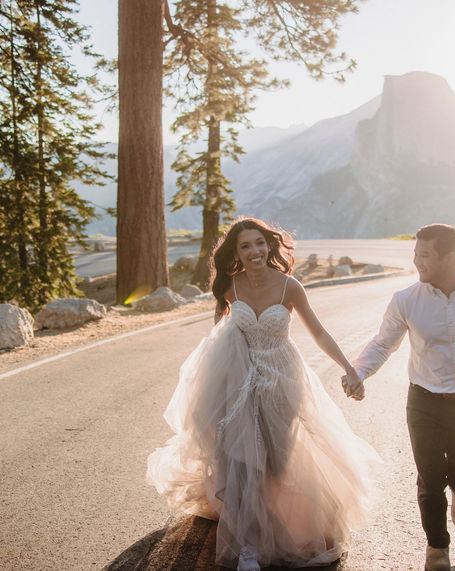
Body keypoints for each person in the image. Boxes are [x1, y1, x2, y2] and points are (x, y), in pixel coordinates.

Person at [147, 218, 379, 570]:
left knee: (274, 464)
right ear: (236, 253)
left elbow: (318, 333)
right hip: (237, 381)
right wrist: (213, 378)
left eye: (259, 243)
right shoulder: (229, 287)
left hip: (281, 380)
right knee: (236, 459)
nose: (254, 251)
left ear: (269, 246)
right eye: (245, 246)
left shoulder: (289, 287)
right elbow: (218, 332)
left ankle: (281, 527)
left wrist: (349, 369)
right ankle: (249, 546)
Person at [344, 223, 455, 571]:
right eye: (415, 254)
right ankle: (437, 548)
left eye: (424, 255)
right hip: (424, 402)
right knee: (430, 477)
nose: (417, 262)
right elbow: (382, 343)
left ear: (449, 258)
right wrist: (358, 372)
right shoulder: (406, 300)